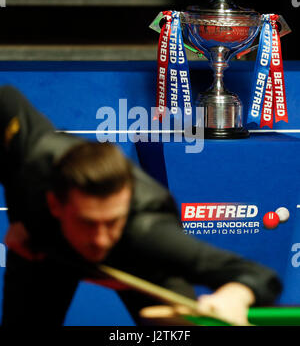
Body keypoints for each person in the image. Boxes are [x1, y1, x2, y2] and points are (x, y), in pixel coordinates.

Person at [0, 85, 281, 326]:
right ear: (54, 203)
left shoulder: (149, 229)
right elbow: (6, 99)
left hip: (138, 263)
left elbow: (259, 276)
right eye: (88, 222)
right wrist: (22, 220)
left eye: (111, 222)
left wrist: (234, 295)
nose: (100, 239)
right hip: (44, 249)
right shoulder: (34, 163)